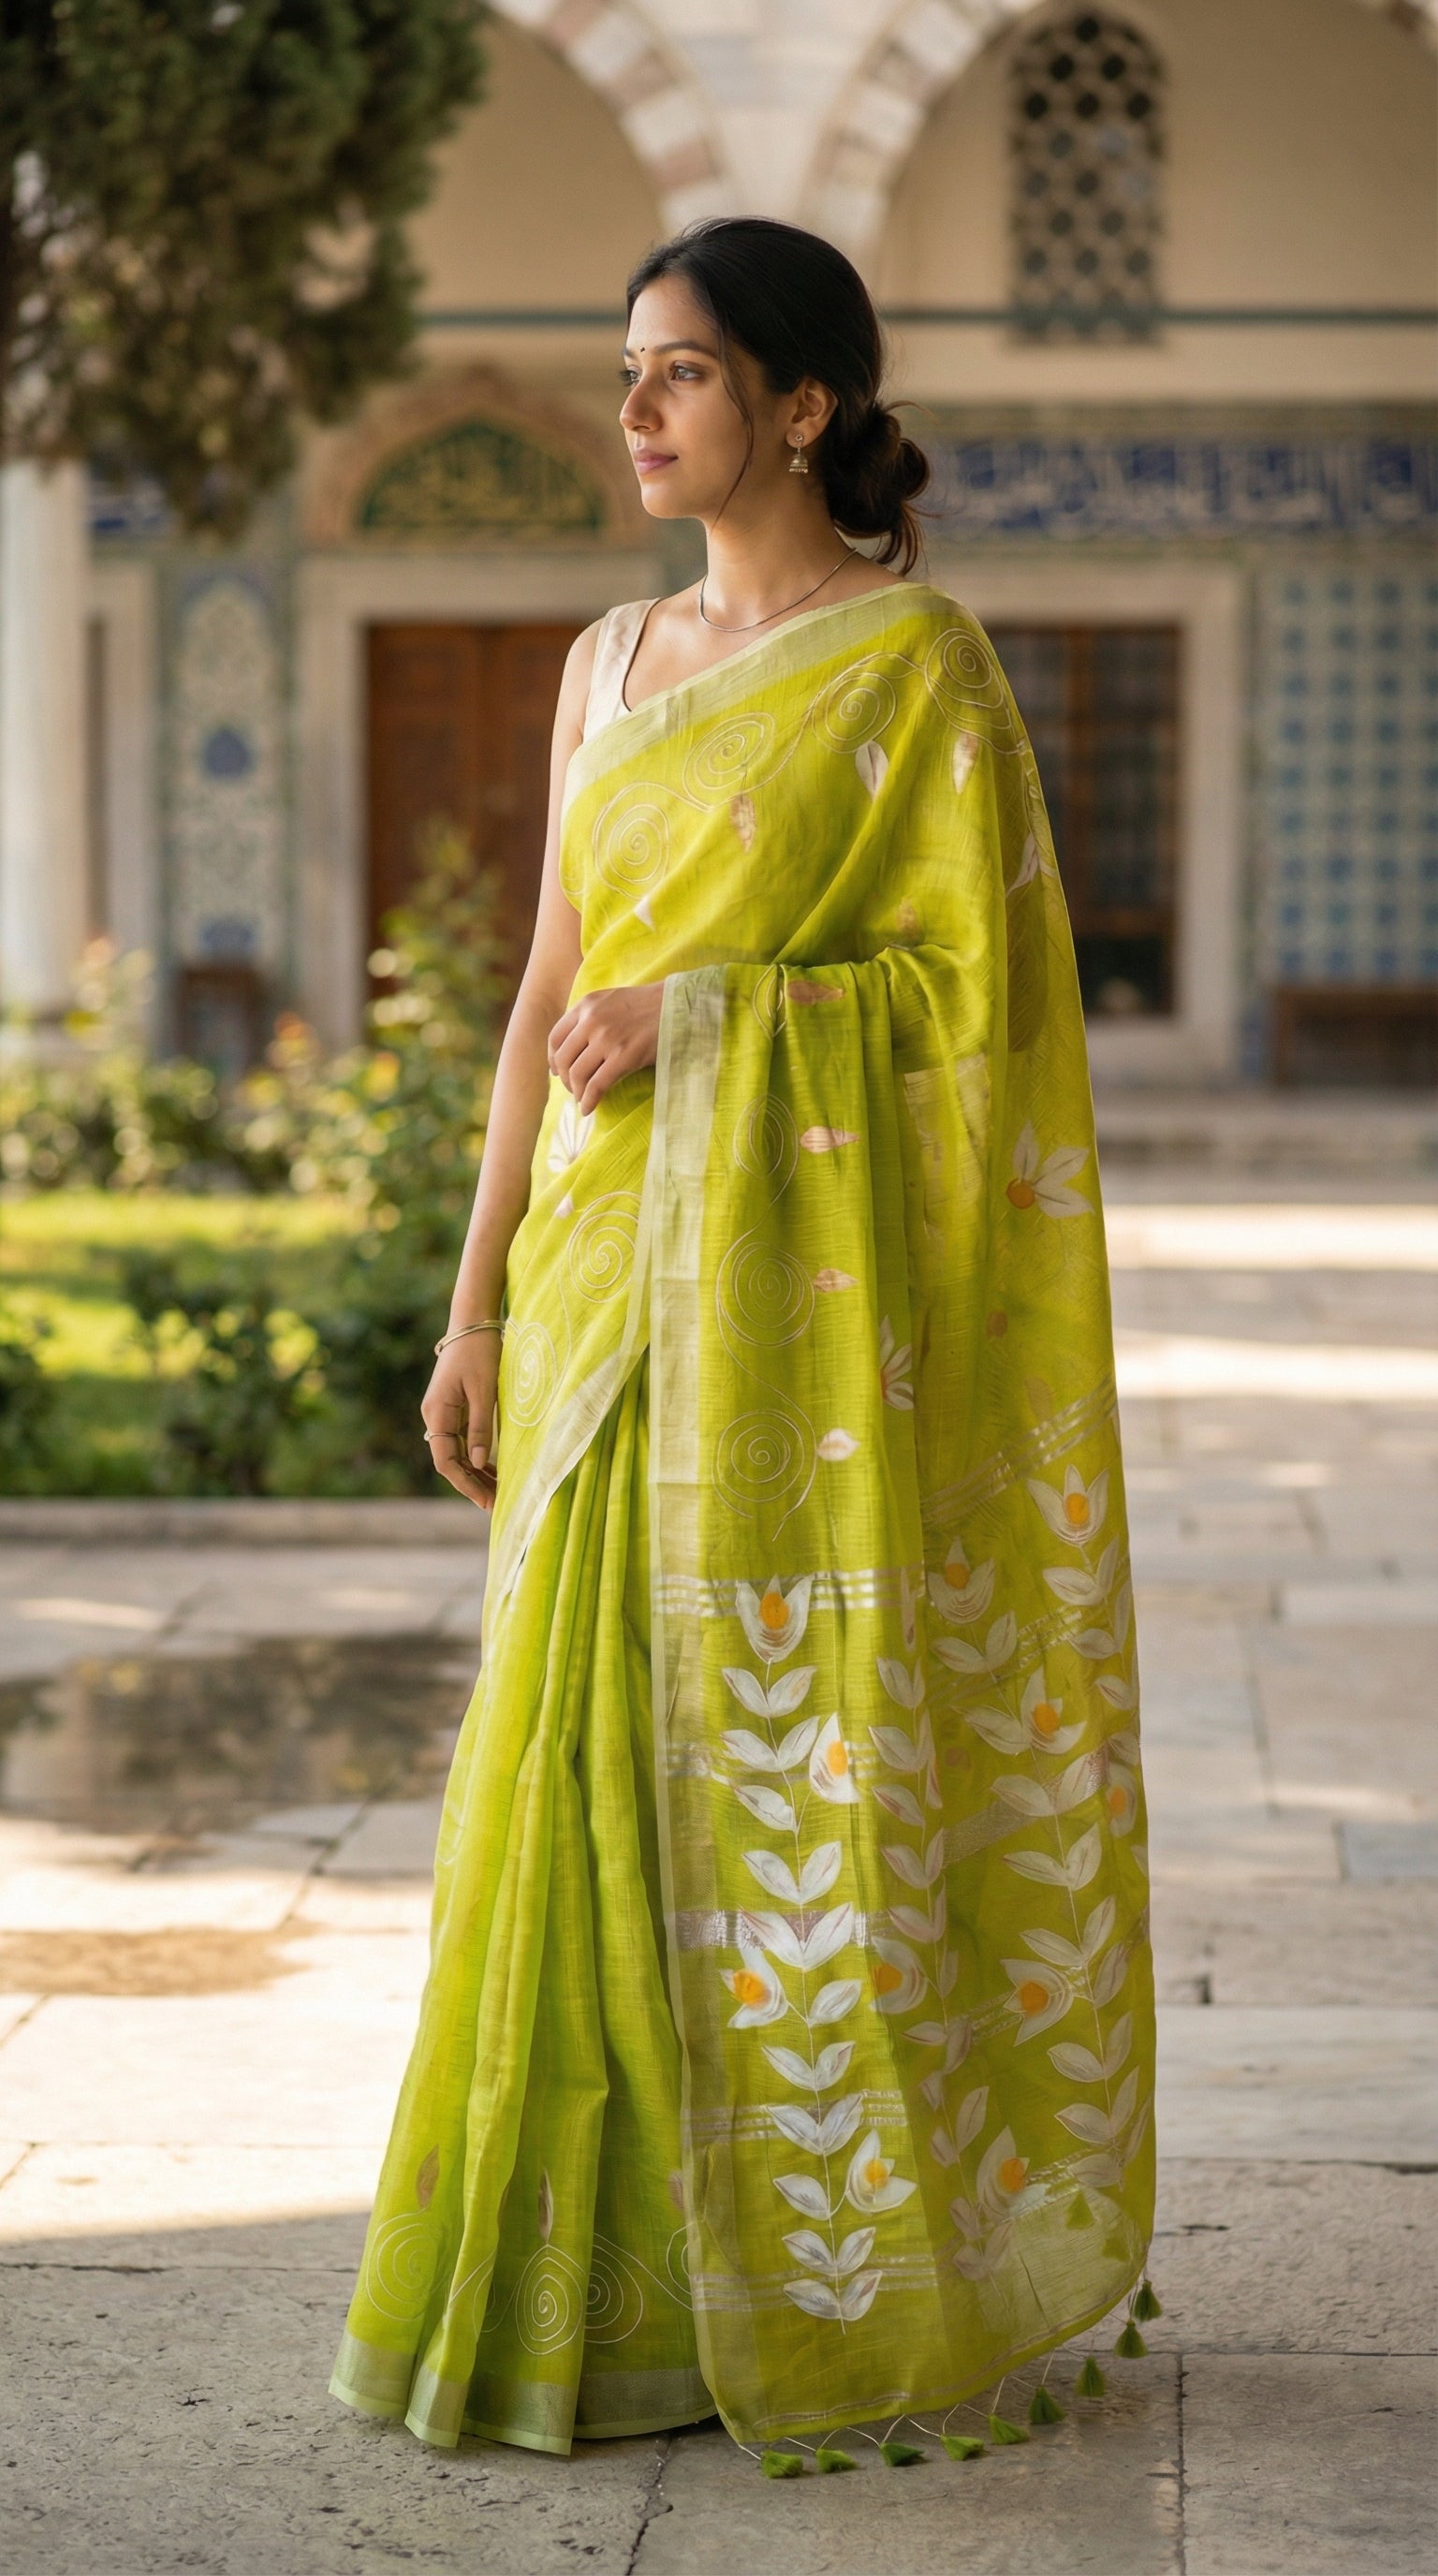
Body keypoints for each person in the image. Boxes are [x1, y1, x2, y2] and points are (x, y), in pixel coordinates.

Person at [330, 217, 1155, 2466]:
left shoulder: (918, 671)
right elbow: (531, 1005)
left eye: (679, 373)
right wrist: (477, 1287)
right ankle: (580, 2280)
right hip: (607, 1286)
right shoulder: (609, 659)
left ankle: (791, 2272)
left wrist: (712, 1021)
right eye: (628, 373)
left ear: (801, 406)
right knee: (568, 1760)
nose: (634, 412)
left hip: (793, 1322)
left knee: (781, 1772)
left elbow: (984, 1034)